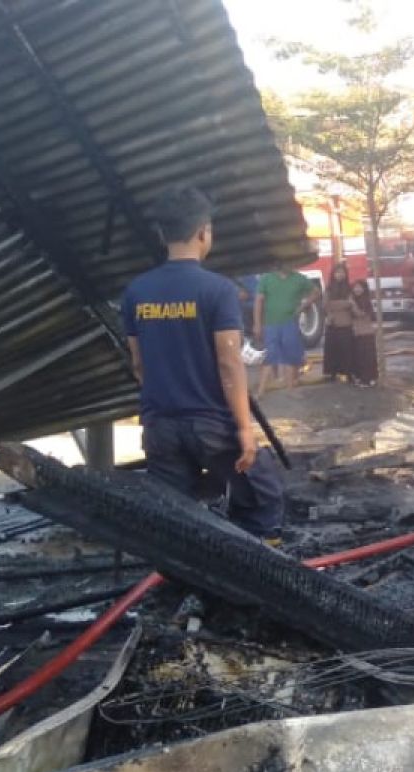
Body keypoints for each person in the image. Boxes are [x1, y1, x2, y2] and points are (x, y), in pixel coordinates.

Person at [119, 186, 284, 543]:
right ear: (203, 233)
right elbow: (229, 363)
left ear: (163, 234)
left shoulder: (137, 291)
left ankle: (188, 577)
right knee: (262, 497)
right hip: (211, 424)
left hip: (160, 425)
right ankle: (254, 577)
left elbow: (138, 363)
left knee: (177, 517)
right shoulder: (217, 290)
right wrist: (244, 429)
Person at [253, 265, 317, 398]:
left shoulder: (299, 278)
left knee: (291, 357)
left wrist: (303, 305)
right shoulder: (266, 278)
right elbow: (258, 301)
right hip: (270, 324)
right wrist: (257, 324)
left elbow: (316, 292)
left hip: (290, 324)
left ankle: (291, 390)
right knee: (269, 357)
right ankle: (260, 391)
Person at [322, 262, 354, 381]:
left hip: (346, 323)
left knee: (347, 348)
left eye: (342, 272)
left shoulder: (349, 288)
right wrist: (343, 304)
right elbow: (325, 305)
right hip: (333, 323)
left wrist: (336, 305)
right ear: (333, 274)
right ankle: (332, 373)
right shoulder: (329, 288)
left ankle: (349, 373)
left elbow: (350, 304)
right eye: (337, 272)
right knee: (332, 349)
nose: (340, 275)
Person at [350, 280, 378, 386]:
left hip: (366, 333)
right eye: (355, 287)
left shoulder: (366, 301)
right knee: (358, 357)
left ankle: (369, 378)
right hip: (356, 333)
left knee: (368, 357)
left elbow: (360, 314)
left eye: (359, 287)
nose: (357, 289)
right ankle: (360, 377)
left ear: (364, 289)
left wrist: (352, 303)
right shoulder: (352, 300)